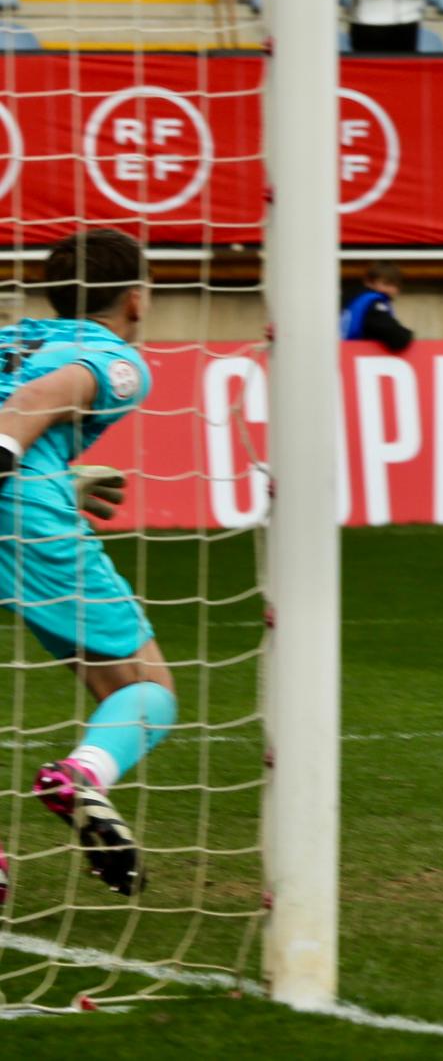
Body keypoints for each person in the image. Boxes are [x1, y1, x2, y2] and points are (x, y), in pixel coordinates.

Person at [0, 229, 174, 903]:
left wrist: (56, 479)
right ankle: (82, 777)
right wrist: (15, 458)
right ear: (136, 299)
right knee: (144, 686)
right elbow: (41, 400)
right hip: (24, 512)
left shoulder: (13, 337)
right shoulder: (117, 358)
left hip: (32, 491)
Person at [341, 262, 414, 352]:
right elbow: (397, 338)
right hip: (353, 355)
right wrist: (408, 335)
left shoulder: (349, 299)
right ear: (369, 282)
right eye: (386, 284)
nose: (391, 289)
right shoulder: (373, 302)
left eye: (396, 285)